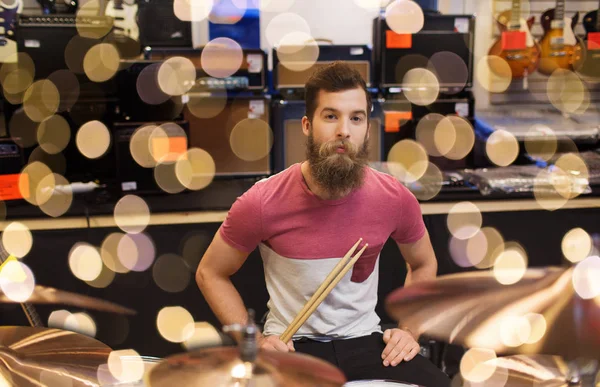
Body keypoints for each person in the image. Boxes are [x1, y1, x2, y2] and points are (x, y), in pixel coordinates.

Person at [196, 61, 451, 387]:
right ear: (306, 125)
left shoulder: (393, 197)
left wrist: (409, 329)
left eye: (356, 118)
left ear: (367, 129)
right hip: (290, 346)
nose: (344, 129)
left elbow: (423, 262)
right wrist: (257, 344)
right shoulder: (262, 201)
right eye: (331, 116)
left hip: (365, 341)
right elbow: (210, 273)